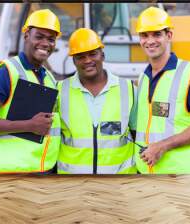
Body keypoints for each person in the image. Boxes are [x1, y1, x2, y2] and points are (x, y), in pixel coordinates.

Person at [0, 9, 61, 174]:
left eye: (51, 39)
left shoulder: (49, 77)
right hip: (9, 173)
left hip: (42, 170)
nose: (45, 43)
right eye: (39, 36)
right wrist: (28, 125)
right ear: (26, 35)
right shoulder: (7, 73)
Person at [57, 28, 137, 174]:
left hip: (119, 184)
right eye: (80, 56)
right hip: (72, 185)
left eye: (93, 54)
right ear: (74, 61)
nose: (88, 60)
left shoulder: (128, 89)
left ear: (103, 55)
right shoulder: (59, 91)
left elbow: (139, 134)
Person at [134, 7, 190, 174]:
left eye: (157, 34)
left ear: (169, 35)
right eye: (144, 35)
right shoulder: (143, 78)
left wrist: (163, 146)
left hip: (179, 174)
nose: (150, 41)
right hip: (144, 172)